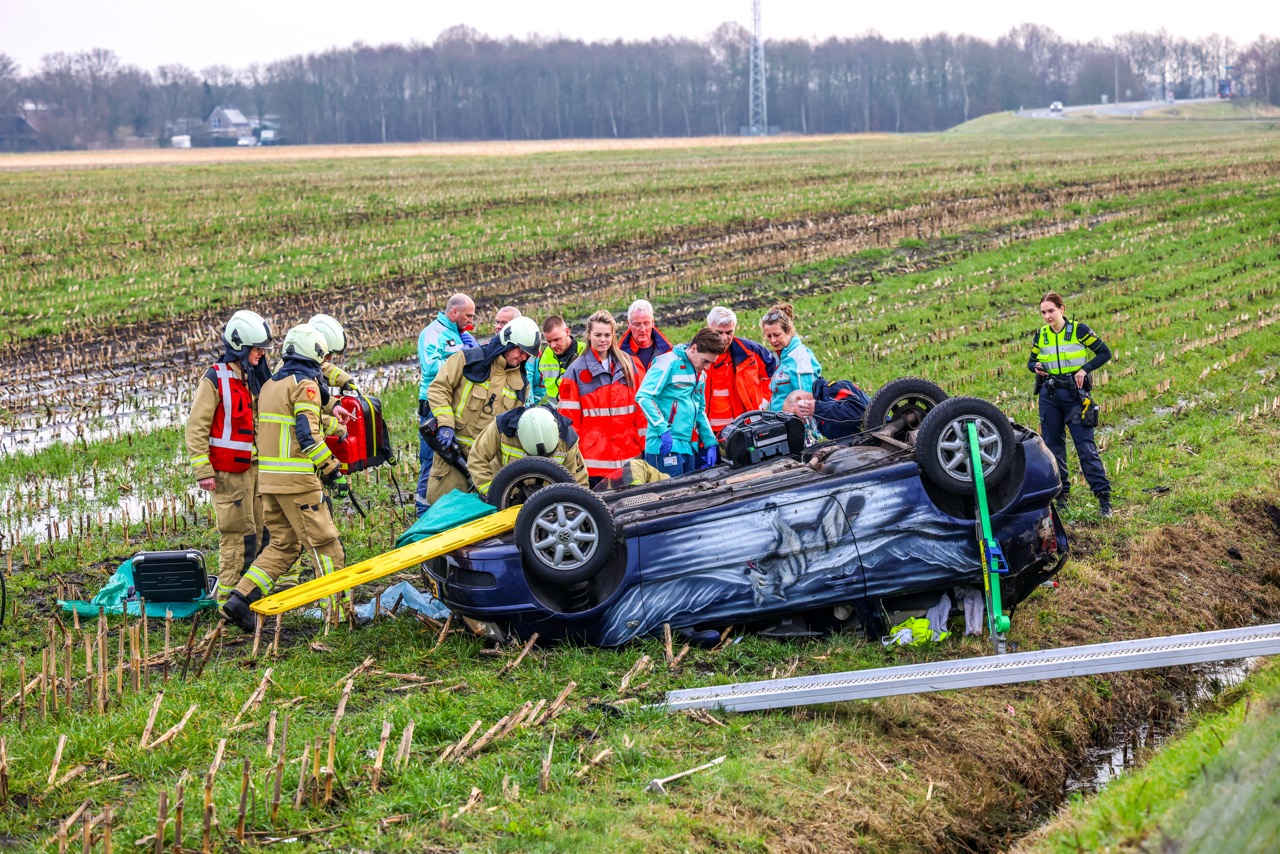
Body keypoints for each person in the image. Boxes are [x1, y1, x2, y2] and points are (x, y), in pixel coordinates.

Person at [222, 324, 348, 631]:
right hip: (298, 483)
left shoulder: (270, 386)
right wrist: (332, 470)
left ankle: (239, 601)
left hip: (269, 483)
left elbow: (291, 426)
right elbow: (307, 435)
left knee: (284, 545)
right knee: (326, 546)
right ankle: (338, 615)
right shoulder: (304, 385)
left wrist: (332, 420)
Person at [186, 310, 273, 605]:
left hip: (257, 469)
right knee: (239, 538)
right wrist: (203, 470)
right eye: (258, 349)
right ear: (241, 348)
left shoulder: (256, 377)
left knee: (263, 533)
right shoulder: (214, 379)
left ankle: (251, 596)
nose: (262, 354)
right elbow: (196, 426)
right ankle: (228, 603)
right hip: (228, 475)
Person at [423, 316, 540, 504]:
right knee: (441, 516)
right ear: (507, 343)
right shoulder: (468, 359)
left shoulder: (521, 385)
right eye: (522, 351)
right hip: (451, 457)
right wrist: (446, 424)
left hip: (485, 468)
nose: (524, 358)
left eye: (528, 355)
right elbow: (439, 388)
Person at [1028, 291, 1114, 517]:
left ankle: (1104, 500)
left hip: (1075, 397)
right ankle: (1062, 497)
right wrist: (1035, 367)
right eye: (1043, 312)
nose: (1047, 316)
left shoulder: (1079, 330)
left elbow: (1104, 353)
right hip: (1049, 396)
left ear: (1062, 309)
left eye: (1051, 311)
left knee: (1085, 448)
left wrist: (1084, 369)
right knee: (1053, 449)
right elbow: (1030, 361)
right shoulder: (1042, 335)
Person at [558, 310, 648, 481]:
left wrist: (647, 447)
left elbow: (641, 412)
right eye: (598, 334)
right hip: (594, 463)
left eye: (607, 335)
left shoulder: (628, 364)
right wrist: (571, 460)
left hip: (630, 457)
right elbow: (568, 421)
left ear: (613, 335)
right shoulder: (575, 371)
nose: (603, 339)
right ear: (589, 335)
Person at [635, 327, 725, 477]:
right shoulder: (667, 362)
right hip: (664, 445)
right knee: (671, 496)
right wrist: (662, 429)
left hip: (689, 446)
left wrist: (710, 442)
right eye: (705, 361)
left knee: (688, 495)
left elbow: (700, 410)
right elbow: (643, 396)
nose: (707, 367)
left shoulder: (700, 374)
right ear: (694, 348)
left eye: (711, 363)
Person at [416, 294, 476, 515]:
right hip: (433, 405)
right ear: (454, 313)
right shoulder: (433, 333)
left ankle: (449, 511)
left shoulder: (458, 334)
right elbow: (431, 367)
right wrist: (462, 357)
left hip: (453, 404)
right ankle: (423, 511)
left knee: (454, 458)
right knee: (430, 459)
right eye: (468, 315)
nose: (470, 320)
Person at [468, 405, 590, 502]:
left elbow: (579, 483)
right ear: (519, 435)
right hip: (506, 498)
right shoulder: (503, 427)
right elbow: (477, 459)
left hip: (547, 502)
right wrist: (494, 493)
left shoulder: (567, 440)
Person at [703, 305, 778, 436]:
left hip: (742, 428)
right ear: (708, 328)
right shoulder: (695, 353)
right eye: (719, 332)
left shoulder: (751, 352)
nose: (724, 338)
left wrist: (762, 404)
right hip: (705, 431)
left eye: (729, 332)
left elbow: (775, 375)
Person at [760, 303, 822, 411]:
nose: (773, 340)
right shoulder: (780, 358)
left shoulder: (801, 359)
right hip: (779, 423)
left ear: (788, 330)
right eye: (769, 336)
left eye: (777, 335)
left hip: (794, 426)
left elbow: (808, 404)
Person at [782, 378, 871, 443]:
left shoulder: (830, 389)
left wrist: (818, 408)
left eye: (795, 414)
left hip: (876, 434)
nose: (801, 421)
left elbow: (859, 413)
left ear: (799, 400)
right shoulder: (818, 420)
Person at [528, 315, 587, 406]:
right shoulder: (546, 354)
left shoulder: (585, 352)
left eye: (556, 340)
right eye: (548, 341)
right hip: (554, 412)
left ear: (567, 332)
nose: (552, 345)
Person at [617, 298, 671, 370]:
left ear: (652, 323)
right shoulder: (619, 356)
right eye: (637, 324)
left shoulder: (667, 352)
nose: (642, 330)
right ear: (628, 324)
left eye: (646, 324)